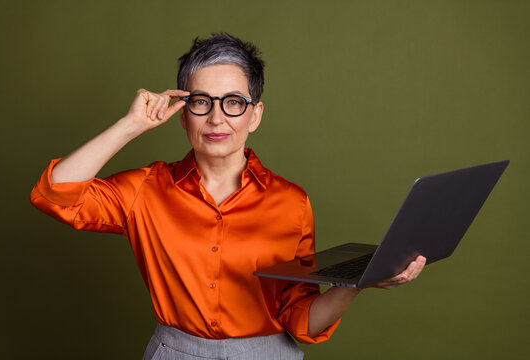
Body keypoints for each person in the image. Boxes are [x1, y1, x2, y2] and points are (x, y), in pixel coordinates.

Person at [30, 33, 426, 359]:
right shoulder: (145, 190)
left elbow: (301, 322)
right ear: (183, 114)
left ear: (254, 115)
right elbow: (54, 194)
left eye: (234, 103)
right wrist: (130, 126)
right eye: (201, 102)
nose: (217, 119)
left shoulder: (292, 202)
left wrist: (356, 282)